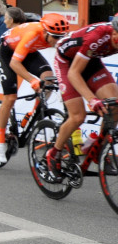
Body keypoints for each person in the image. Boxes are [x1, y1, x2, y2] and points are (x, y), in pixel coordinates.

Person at [45, 16, 118, 175]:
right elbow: (74, 73)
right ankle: (54, 154)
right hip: (67, 62)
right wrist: (92, 100)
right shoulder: (97, 37)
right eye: (115, 33)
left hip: (91, 60)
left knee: (114, 106)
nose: (114, 37)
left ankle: (98, 149)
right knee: (78, 116)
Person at [0, 14, 69, 165]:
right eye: (55, 37)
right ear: (46, 32)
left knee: (48, 78)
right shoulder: (32, 34)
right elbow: (15, 64)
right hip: (9, 53)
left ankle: (32, 112)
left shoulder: (54, 37)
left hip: (29, 51)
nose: (58, 41)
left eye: (61, 37)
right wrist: (33, 81)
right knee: (10, 98)